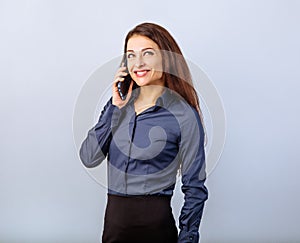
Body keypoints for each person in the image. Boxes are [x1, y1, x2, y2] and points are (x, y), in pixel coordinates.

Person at [79, 22, 208, 243]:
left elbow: (194, 188)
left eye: (147, 53)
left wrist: (187, 239)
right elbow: (89, 157)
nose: (137, 63)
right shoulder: (118, 106)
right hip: (114, 229)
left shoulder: (184, 115)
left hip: (157, 230)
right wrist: (114, 109)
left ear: (166, 58)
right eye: (130, 55)